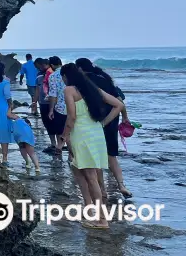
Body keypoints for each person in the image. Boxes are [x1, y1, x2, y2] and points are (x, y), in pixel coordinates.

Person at [60, 63, 124, 230]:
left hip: (81, 136)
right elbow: (119, 105)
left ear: (66, 77)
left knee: (91, 178)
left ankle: (102, 220)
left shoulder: (69, 90)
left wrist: (64, 136)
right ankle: (92, 213)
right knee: (85, 174)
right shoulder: (92, 88)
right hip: (96, 134)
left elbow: (72, 117)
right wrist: (103, 123)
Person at [76, 57, 132, 199]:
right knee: (111, 156)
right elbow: (119, 101)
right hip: (112, 119)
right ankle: (121, 185)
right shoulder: (104, 78)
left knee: (97, 157)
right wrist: (125, 117)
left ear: (80, 69)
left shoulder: (85, 81)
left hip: (97, 121)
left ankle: (103, 190)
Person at [46, 55, 68, 156]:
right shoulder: (71, 73)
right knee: (71, 131)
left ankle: (59, 148)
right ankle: (71, 156)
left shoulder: (53, 76)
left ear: (52, 65)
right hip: (75, 107)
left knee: (60, 131)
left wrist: (51, 110)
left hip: (60, 108)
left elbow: (53, 94)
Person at [7, 108, 40, 172]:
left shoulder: (18, 119)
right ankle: (36, 167)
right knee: (30, 152)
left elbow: (8, 115)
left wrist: (9, 106)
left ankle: (30, 163)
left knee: (24, 150)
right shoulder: (23, 123)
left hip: (21, 137)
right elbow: (9, 115)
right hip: (25, 137)